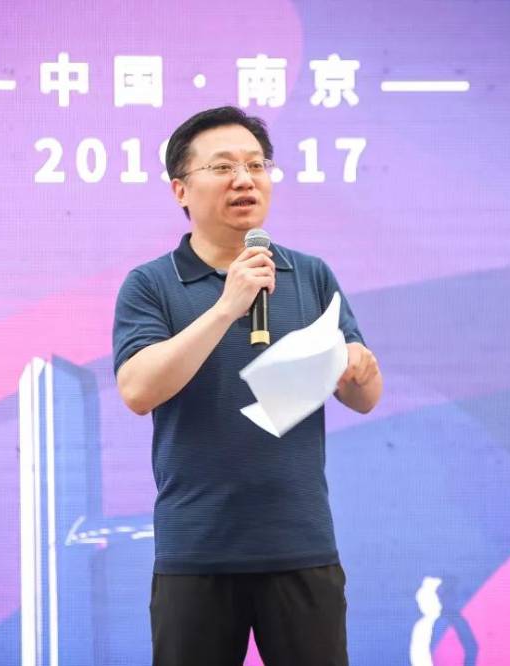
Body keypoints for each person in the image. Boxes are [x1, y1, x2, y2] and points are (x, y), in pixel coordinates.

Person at [112, 106, 382, 666]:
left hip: (300, 544)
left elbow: (363, 399)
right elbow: (137, 391)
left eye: (256, 165)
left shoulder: (310, 274)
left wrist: (361, 368)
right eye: (223, 167)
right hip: (198, 551)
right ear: (180, 189)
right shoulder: (152, 283)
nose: (245, 179)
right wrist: (225, 306)